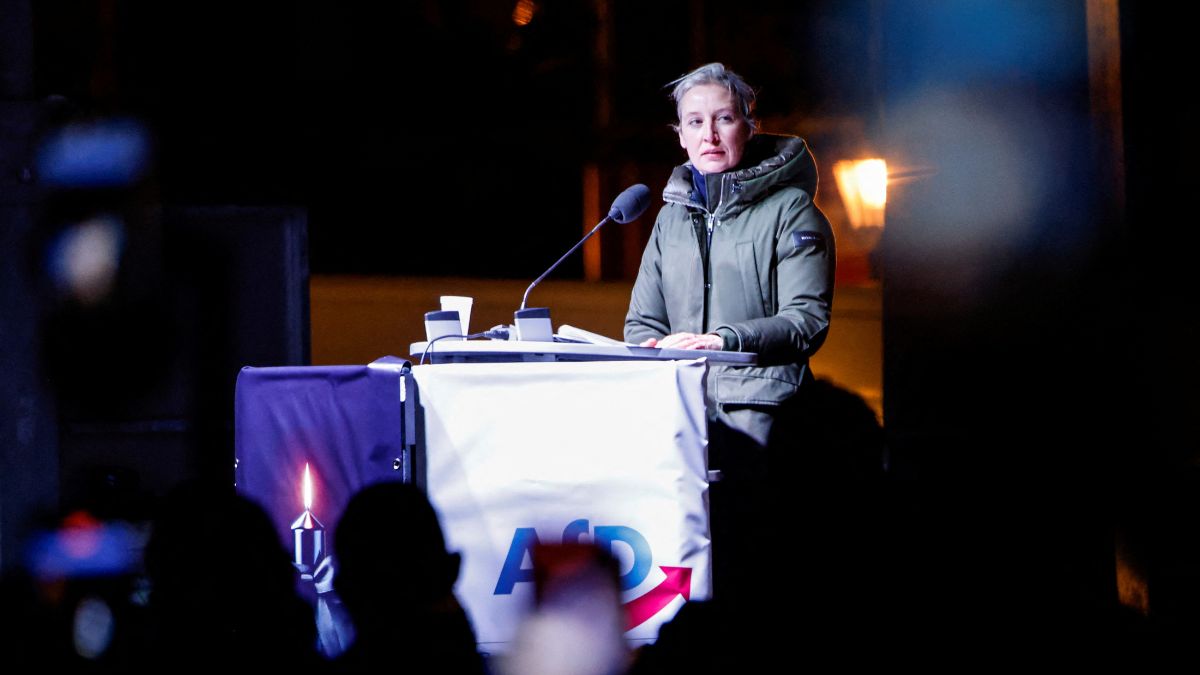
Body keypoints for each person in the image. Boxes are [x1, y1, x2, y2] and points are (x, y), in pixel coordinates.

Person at [624, 63, 836, 604]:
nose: (709, 135)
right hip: (680, 423)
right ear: (679, 134)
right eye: (694, 122)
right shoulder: (669, 220)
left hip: (759, 424)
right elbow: (642, 324)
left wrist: (722, 340)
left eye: (724, 119)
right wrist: (652, 350)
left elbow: (806, 321)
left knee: (755, 580)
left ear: (750, 125)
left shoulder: (793, 212)